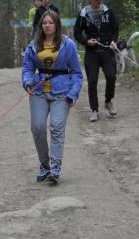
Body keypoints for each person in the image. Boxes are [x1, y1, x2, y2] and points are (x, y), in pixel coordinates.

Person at [22, 10, 83, 184]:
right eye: (44, 23)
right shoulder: (34, 45)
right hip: (38, 90)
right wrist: (27, 82)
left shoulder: (68, 44)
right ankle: (44, 164)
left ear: (56, 25)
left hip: (62, 92)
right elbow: (27, 68)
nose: (47, 25)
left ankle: (55, 167)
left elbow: (77, 73)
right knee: (38, 127)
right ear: (41, 26)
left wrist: (73, 93)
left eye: (50, 22)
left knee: (56, 127)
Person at [74, 0, 119, 122]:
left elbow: (115, 29)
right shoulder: (83, 14)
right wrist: (86, 41)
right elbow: (77, 33)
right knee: (92, 81)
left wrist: (113, 41)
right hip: (92, 52)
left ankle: (108, 101)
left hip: (107, 49)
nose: (99, 1)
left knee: (111, 77)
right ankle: (94, 110)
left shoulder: (108, 11)